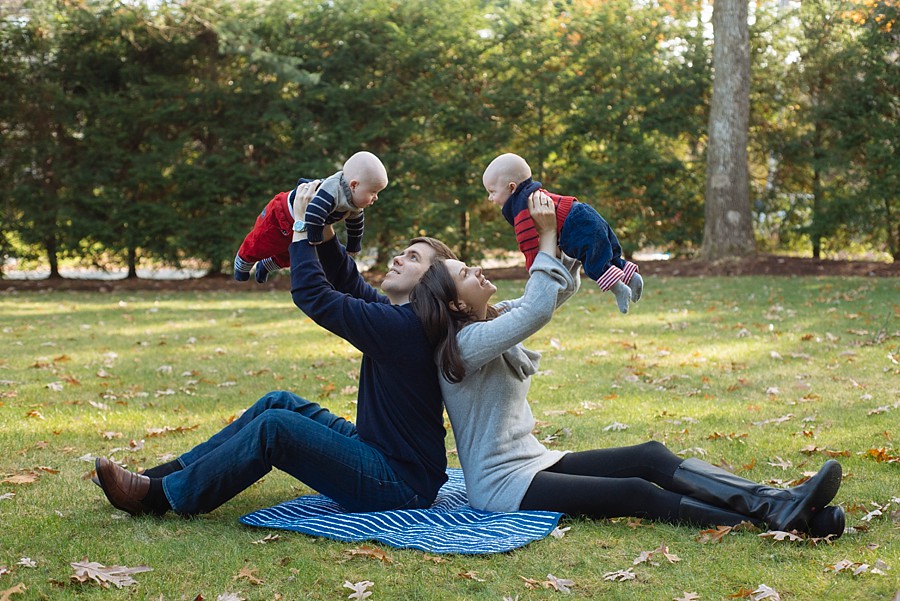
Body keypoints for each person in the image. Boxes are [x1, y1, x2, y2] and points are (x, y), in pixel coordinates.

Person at [409, 191, 845, 538]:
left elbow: (551, 296)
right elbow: (536, 311)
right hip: (503, 485)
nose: (478, 270)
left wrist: (572, 242)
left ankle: (780, 505)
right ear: (455, 302)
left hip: (533, 459)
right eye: (466, 273)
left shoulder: (493, 320)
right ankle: (773, 523)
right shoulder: (468, 341)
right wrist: (542, 238)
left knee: (650, 456)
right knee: (636, 492)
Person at [95, 180, 454, 517]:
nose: (397, 258)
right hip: (380, 451)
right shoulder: (402, 318)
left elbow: (316, 296)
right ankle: (161, 475)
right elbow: (347, 282)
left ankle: (161, 497)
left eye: (412, 258)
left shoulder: (402, 327)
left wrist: (301, 228)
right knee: (277, 402)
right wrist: (324, 225)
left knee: (276, 428)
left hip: (399, 483)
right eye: (404, 252)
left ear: (431, 282)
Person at [483, 152, 642, 314]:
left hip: (574, 226)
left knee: (594, 262)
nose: (490, 198)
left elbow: (527, 241)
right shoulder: (534, 192)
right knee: (607, 251)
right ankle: (631, 276)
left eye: (492, 192)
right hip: (583, 210)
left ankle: (618, 288)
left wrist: (535, 269)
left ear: (512, 187)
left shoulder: (521, 207)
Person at [233, 151, 388, 283]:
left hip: (301, 224)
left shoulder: (355, 204)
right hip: (281, 215)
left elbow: (356, 225)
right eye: (373, 192)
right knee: (261, 242)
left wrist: (353, 246)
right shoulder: (331, 190)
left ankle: (266, 266)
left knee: (291, 255)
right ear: (354, 185)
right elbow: (315, 211)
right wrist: (314, 238)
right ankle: (242, 263)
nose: (376, 198)